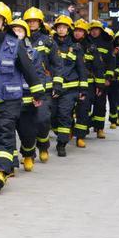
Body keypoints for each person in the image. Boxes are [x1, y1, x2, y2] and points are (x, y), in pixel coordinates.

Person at [0, 2, 43, 192]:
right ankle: (3, 165)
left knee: (4, 133)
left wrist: (37, 92)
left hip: (10, 100)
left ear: (4, 22)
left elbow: (29, 70)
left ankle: (1, 172)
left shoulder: (15, 44)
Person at [23, 7, 64, 163]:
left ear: (40, 23)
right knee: (27, 124)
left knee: (42, 119)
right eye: (29, 21)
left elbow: (57, 64)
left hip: (44, 88)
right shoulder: (19, 40)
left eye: (34, 21)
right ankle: (28, 154)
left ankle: (43, 145)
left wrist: (57, 85)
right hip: (24, 88)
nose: (32, 23)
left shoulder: (48, 41)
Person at [9, 18, 44, 171]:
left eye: (20, 31)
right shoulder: (5, 51)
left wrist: (38, 94)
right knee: (7, 133)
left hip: (27, 99)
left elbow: (39, 74)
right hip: (9, 99)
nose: (17, 33)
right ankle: (10, 162)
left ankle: (28, 155)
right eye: (14, 30)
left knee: (27, 132)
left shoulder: (33, 53)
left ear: (26, 34)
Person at [51, 15, 87, 156]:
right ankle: (61, 132)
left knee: (64, 115)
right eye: (59, 27)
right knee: (52, 116)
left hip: (69, 89)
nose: (61, 30)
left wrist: (83, 89)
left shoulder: (76, 47)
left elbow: (81, 69)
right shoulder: (50, 45)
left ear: (68, 29)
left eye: (64, 27)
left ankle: (62, 144)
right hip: (53, 88)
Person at [72, 19, 103, 147]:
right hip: (70, 83)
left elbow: (98, 67)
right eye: (76, 30)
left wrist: (99, 85)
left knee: (83, 110)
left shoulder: (91, 47)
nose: (77, 33)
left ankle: (80, 136)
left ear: (85, 33)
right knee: (67, 109)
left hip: (88, 84)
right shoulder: (67, 44)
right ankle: (68, 130)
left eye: (80, 31)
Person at [88, 21, 114, 138]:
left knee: (100, 104)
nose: (94, 31)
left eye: (96, 29)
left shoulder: (107, 43)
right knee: (85, 105)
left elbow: (111, 63)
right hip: (87, 78)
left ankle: (99, 128)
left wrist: (108, 77)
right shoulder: (86, 41)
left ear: (101, 30)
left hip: (101, 78)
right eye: (92, 29)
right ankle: (85, 126)